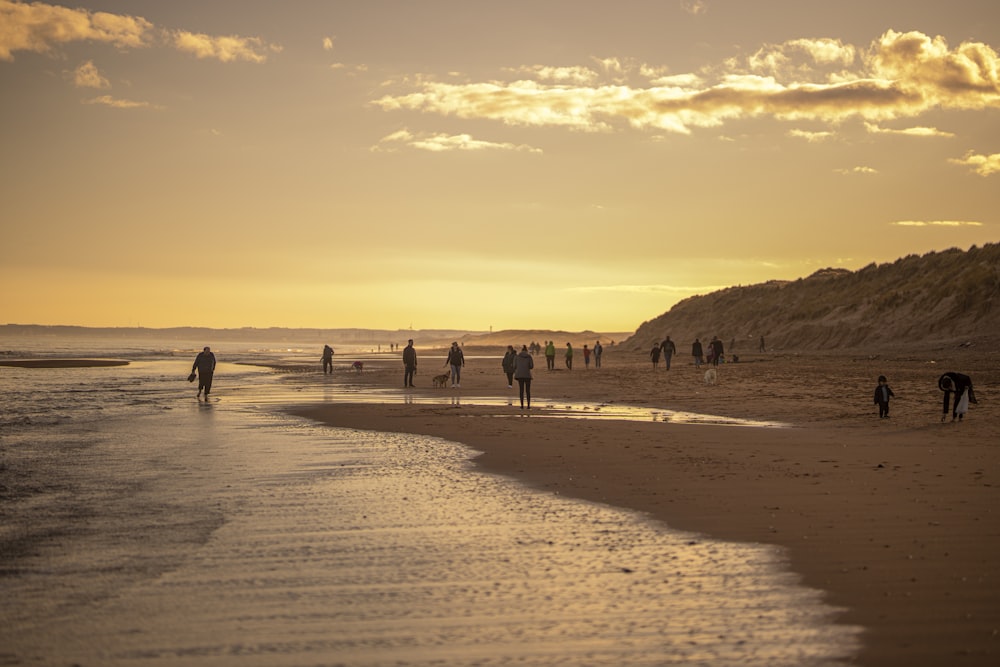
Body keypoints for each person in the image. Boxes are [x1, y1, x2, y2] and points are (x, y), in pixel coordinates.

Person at [513, 344, 534, 409]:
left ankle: (522, 405)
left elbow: (514, 366)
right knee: (528, 390)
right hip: (527, 375)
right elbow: (531, 366)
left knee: (521, 390)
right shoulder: (529, 356)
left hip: (519, 375)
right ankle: (528, 405)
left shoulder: (517, 356)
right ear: (526, 351)